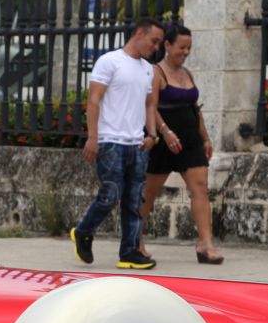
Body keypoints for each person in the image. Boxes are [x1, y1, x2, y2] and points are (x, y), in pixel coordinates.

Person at [71, 18, 165, 270]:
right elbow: (94, 100)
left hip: (137, 144)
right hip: (110, 141)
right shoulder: (109, 61)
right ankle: (84, 231)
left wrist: (151, 135)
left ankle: (130, 251)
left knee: (134, 200)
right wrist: (93, 137)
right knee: (110, 194)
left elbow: (149, 104)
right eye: (154, 41)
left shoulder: (148, 69)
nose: (156, 47)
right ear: (139, 34)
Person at [141, 24, 223, 264]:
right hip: (163, 140)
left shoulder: (187, 73)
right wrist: (165, 132)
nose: (186, 52)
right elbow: (150, 107)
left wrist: (205, 138)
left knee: (201, 187)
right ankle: (135, 239)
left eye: (189, 48)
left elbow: (194, 108)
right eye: (182, 47)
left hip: (190, 139)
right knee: (149, 192)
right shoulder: (156, 72)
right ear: (167, 45)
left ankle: (205, 244)